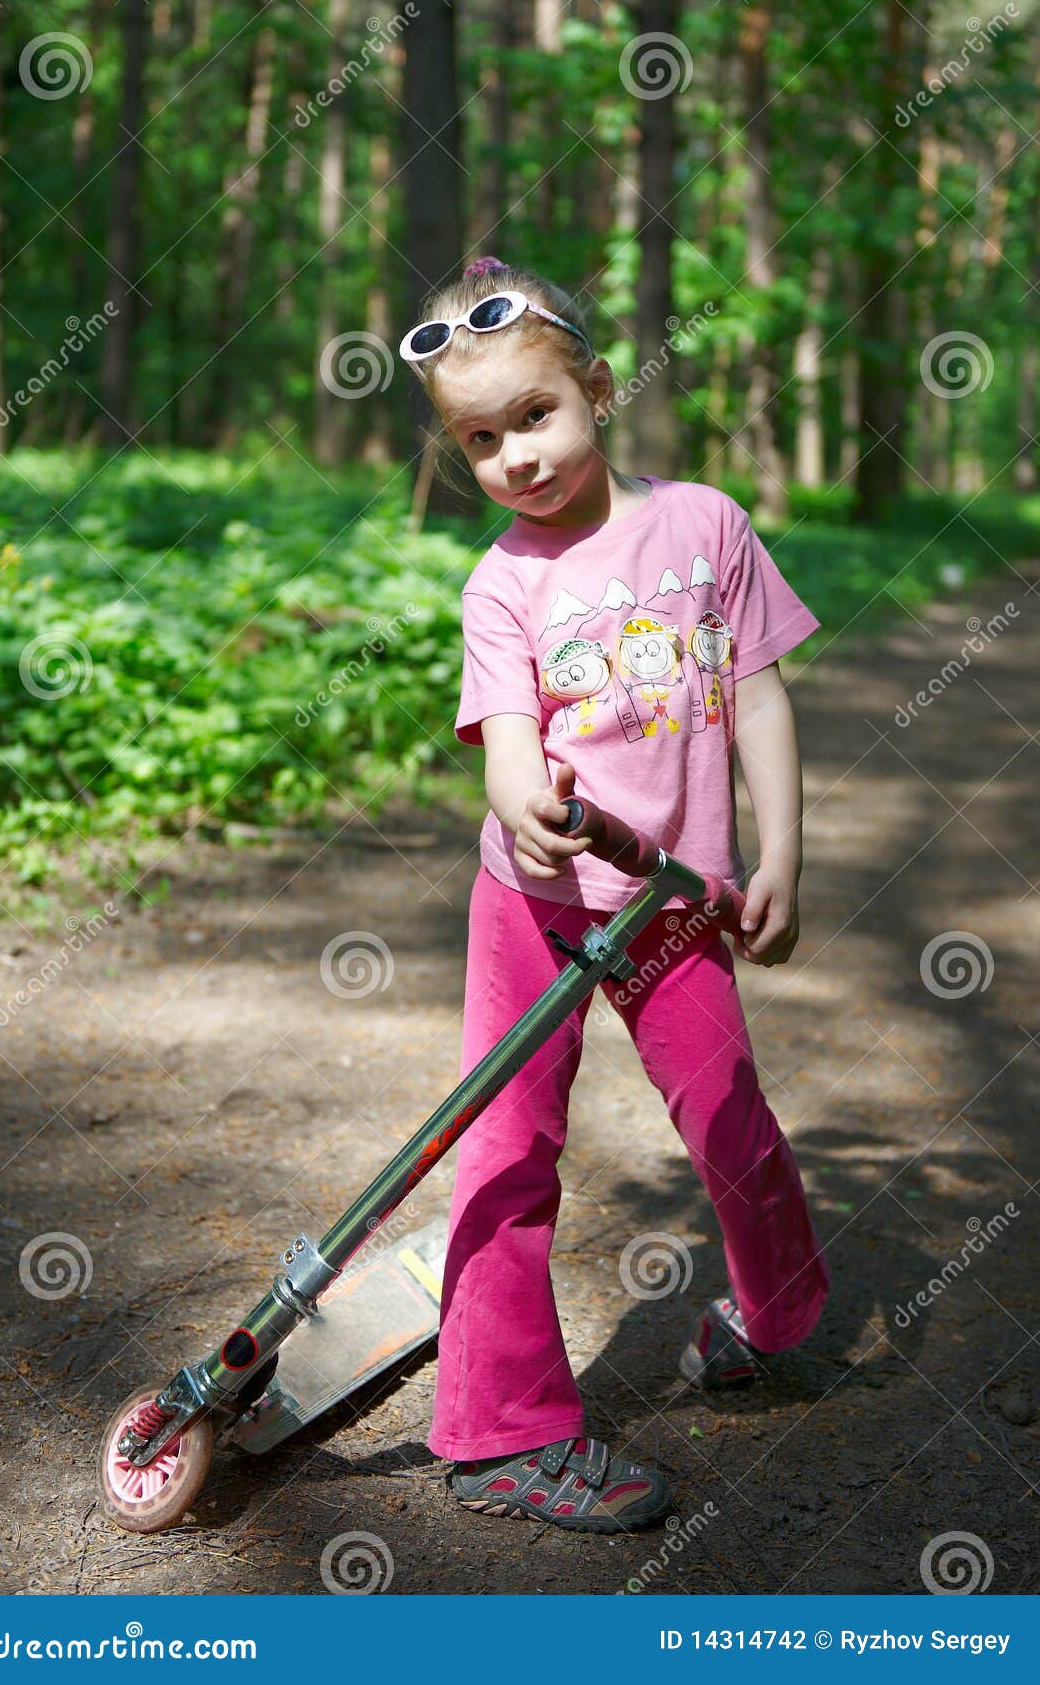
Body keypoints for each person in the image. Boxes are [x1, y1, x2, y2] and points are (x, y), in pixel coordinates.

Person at [395, 255, 830, 1534]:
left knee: (726, 1110)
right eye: (480, 441)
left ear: (593, 386)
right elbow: (512, 736)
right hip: (534, 907)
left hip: (676, 902)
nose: (515, 458)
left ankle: (770, 1311)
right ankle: (500, 1432)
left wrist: (781, 861)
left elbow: (755, 695)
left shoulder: (703, 525)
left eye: (533, 416)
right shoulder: (500, 582)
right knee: (507, 1142)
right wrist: (519, 801)